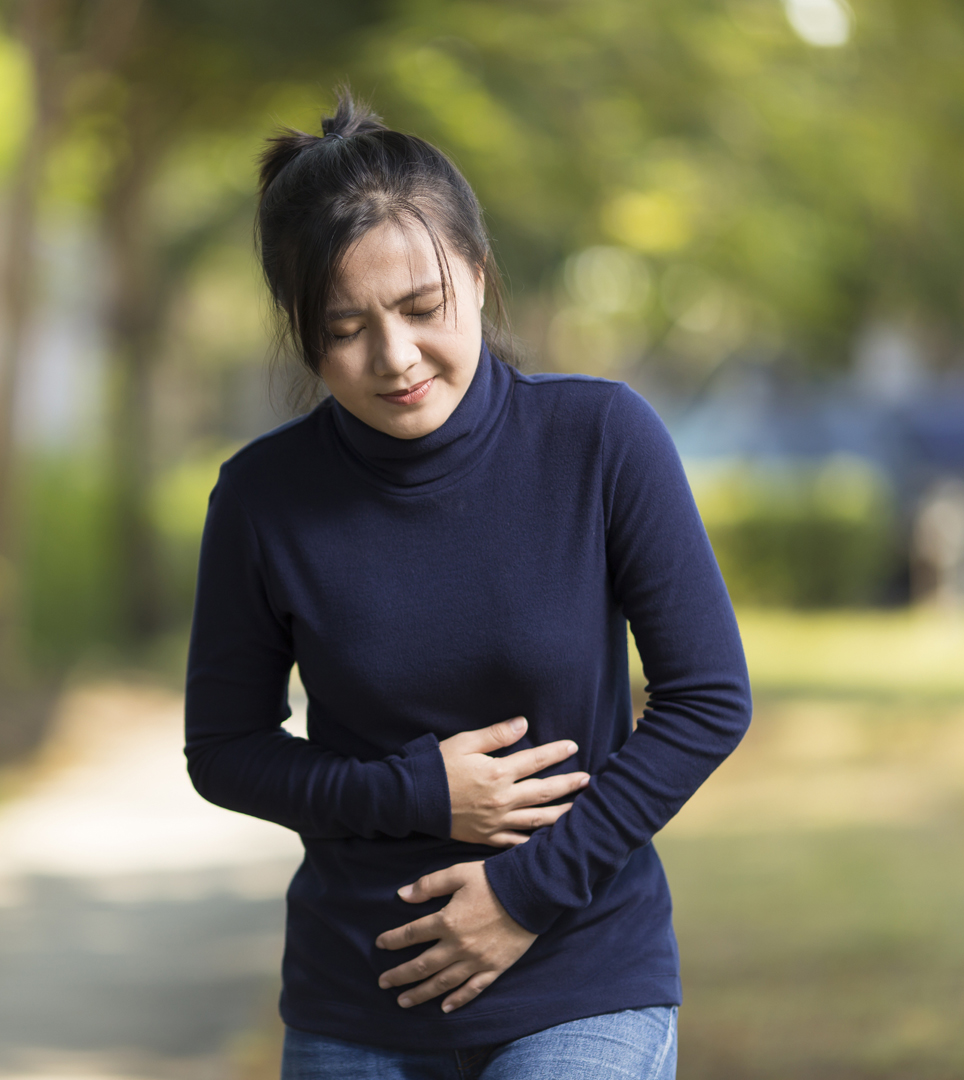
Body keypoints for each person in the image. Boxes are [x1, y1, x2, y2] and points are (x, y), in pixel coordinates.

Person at [183, 91, 751, 1080]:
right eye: (346, 326)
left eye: (421, 308)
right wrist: (417, 793)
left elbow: (707, 701)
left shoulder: (601, 441)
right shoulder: (262, 499)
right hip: (358, 993)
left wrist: (528, 893)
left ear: (478, 279)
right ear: (302, 330)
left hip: (582, 975)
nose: (394, 358)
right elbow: (224, 752)